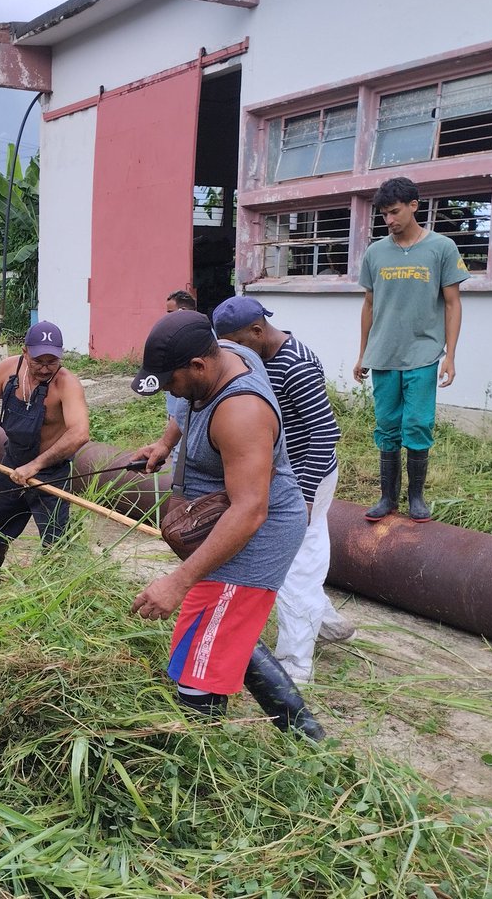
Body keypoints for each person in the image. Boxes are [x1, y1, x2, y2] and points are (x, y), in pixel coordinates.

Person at [129, 310, 322, 739]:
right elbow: (182, 406)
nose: (170, 392)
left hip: (253, 536)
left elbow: (250, 511)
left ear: (199, 366)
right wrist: (165, 444)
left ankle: (201, 765)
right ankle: (307, 735)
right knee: (213, 638)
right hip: (225, 525)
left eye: (171, 381)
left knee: (197, 672)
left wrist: (177, 582)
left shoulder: (242, 413)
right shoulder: (220, 355)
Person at [212, 296, 354, 684]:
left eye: (237, 344)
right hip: (279, 473)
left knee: (297, 565)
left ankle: (295, 665)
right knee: (304, 554)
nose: (233, 353)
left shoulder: (297, 365)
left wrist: (305, 497)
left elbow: (325, 435)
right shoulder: (257, 358)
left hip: (309, 476)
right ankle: (324, 619)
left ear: (257, 331)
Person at [354, 176, 467, 523]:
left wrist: (450, 355)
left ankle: (416, 497)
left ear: (414, 206)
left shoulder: (442, 248)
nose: (389, 220)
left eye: (394, 212)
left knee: (417, 424)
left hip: (423, 354)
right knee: (387, 426)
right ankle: (387, 498)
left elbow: (452, 303)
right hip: (384, 355)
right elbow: (369, 305)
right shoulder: (375, 253)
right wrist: (362, 353)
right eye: (384, 214)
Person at [0, 321, 89, 589]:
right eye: (39, 360)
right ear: (25, 351)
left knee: (55, 537)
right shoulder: (8, 369)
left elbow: (79, 433)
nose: (46, 368)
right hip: (12, 463)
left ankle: (55, 591)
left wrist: (37, 465)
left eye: (53, 361)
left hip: (51, 471)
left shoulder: (67, 384)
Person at [164, 290, 197, 463]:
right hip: (177, 412)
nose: (166, 318)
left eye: (170, 313)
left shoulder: (199, 339)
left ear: (183, 312)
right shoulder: (174, 335)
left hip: (187, 413)